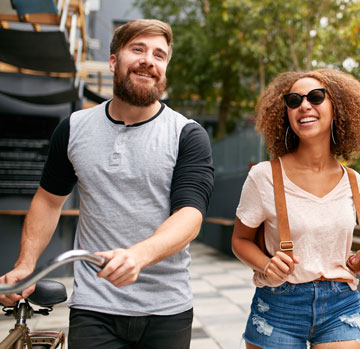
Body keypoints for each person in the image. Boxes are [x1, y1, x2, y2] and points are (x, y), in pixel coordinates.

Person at [0, 19, 214, 348]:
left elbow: (190, 214)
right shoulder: (74, 128)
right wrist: (25, 265)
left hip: (166, 307)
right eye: (138, 49)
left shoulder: (187, 134)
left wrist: (139, 255)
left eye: (160, 55)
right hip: (94, 304)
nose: (149, 60)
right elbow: (48, 200)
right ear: (114, 61)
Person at [231, 68, 360, 349]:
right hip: (279, 305)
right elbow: (240, 240)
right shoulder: (265, 176)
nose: (304, 105)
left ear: (337, 109)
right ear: (286, 114)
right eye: (294, 101)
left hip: (341, 303)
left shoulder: (352, 180)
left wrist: (355, 262)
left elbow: (326, 246)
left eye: (315, 97)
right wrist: (266, 265)